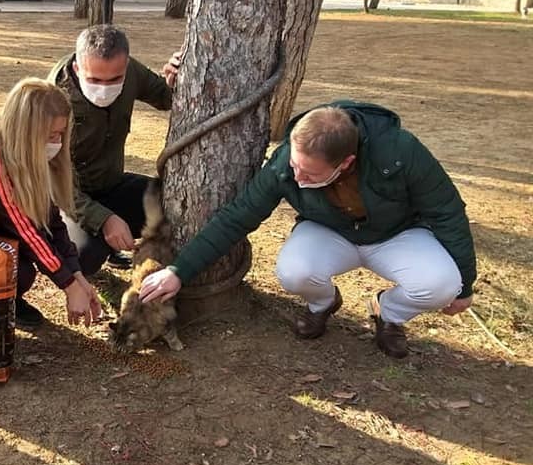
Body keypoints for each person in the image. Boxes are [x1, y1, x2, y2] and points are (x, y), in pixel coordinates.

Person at [140, 101, 476, 359]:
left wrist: (465, 286)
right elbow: (236, 217)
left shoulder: (401, 151)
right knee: (293, 272)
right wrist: (179, 271)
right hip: (328, 230)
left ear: (346, 162)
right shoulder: (288, 161)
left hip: (396, 234)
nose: (298, 179)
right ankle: (322, 305)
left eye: (311, 175)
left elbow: (447, 212)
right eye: (295, 167)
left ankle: (388, 313)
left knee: (443, 284)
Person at [0, 78, 102, 329]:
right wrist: (68, 286)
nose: (56, 144)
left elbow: (50, 221)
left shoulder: (27, 155)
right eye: (49, 135)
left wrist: (78, 276)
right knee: (15, 266)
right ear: (27, 131)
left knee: (20, 268)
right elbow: (26, 231)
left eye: (60, 134)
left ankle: (4, 299)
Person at [48, 25, 173, 275]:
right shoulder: (51, 99)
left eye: (115, 79)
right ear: (76, 69)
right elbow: (48, 179)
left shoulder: (132, 72)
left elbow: (165, 97)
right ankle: (89, 242)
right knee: (83, 259)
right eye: (94, 80)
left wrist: (176, 74)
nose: (104, 88)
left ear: (125, 67)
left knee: (173, 202)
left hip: (112, 184)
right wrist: (103, 220)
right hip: (69, 198)